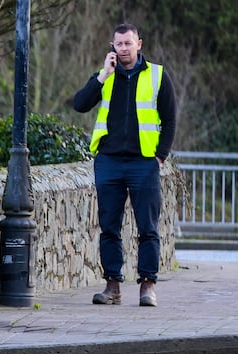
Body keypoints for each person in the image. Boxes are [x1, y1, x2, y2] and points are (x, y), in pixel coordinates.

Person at [72, 23, 177, 308]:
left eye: (128, 43)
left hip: (144, 162)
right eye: (118, 44)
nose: (124, 49)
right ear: (112, 46)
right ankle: (112, 286)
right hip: (109, 161)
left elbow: (170, 119)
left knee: (148, 228)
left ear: (139, 44)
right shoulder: (104, 76)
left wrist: (160, 156)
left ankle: (148, 286)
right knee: (109, 227)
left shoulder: (157, 75)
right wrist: (102, 76)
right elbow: (79, 104)